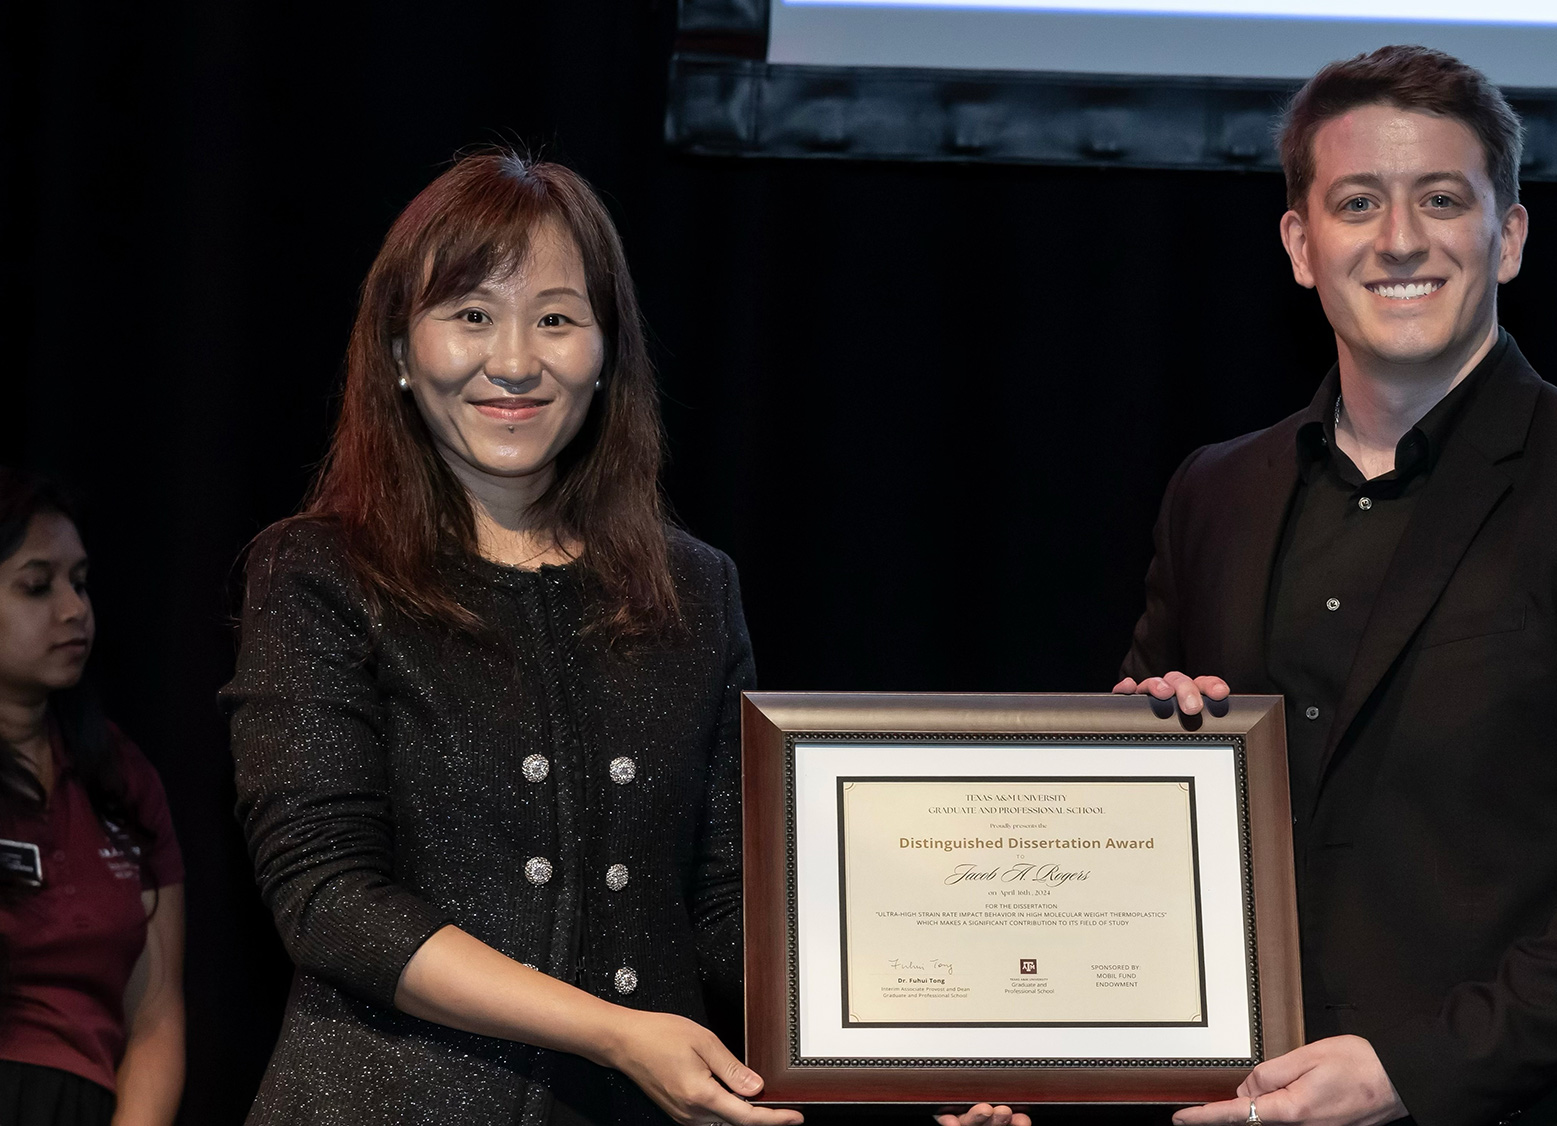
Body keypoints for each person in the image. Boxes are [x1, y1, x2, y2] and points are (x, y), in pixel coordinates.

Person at [222, 151, 1026, 1126]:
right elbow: (327, 898)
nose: (514, 359)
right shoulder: (316, 573)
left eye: (555, 318)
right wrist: (614, 1027)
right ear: (397, 347)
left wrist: (917, 1067)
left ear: (605, 353)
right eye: (470, 314)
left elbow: (733, 910)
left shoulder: (692, 588)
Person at [1115, 47, 1557, 1126]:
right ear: (1300, 245)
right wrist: (1133, 757)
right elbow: (1129, 812)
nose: (1398, 238)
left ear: (1505, 239)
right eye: (1356, 201)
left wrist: (1408, 1068)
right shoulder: (1214, 490)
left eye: (1440, 199)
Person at [0, 470, 185, 1126]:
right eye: (37, 585)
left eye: (80, 583)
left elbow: (157, 1015)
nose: (75, 609)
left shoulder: (122, 775)